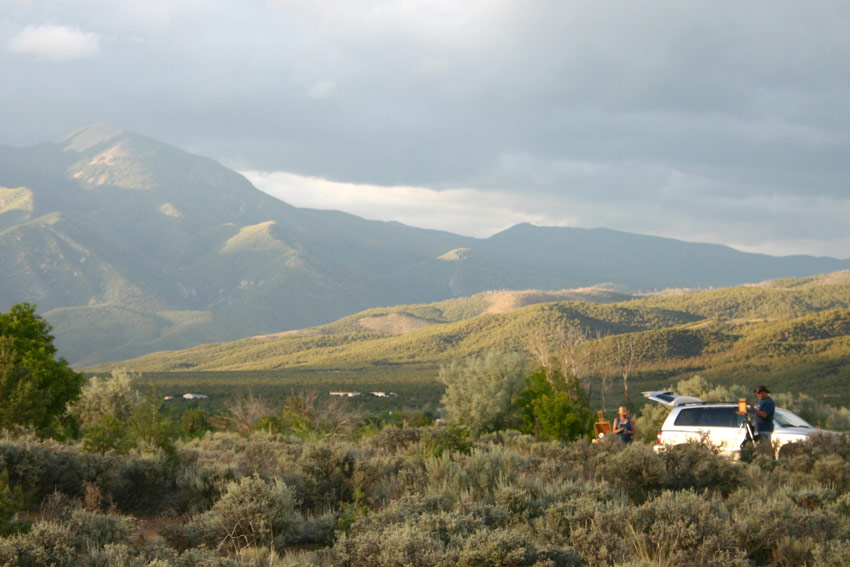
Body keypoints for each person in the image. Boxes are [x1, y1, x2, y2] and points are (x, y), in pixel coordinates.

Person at [749, 385, 775, 449]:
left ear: (764, 392)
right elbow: (759, 413)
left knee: (764, 447)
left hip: (765, 428)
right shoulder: (760, 401)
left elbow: (765, 414)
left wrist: (754, 409)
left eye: (759, 393)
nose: (758, 395)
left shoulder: (769, 402)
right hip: (759, 428)